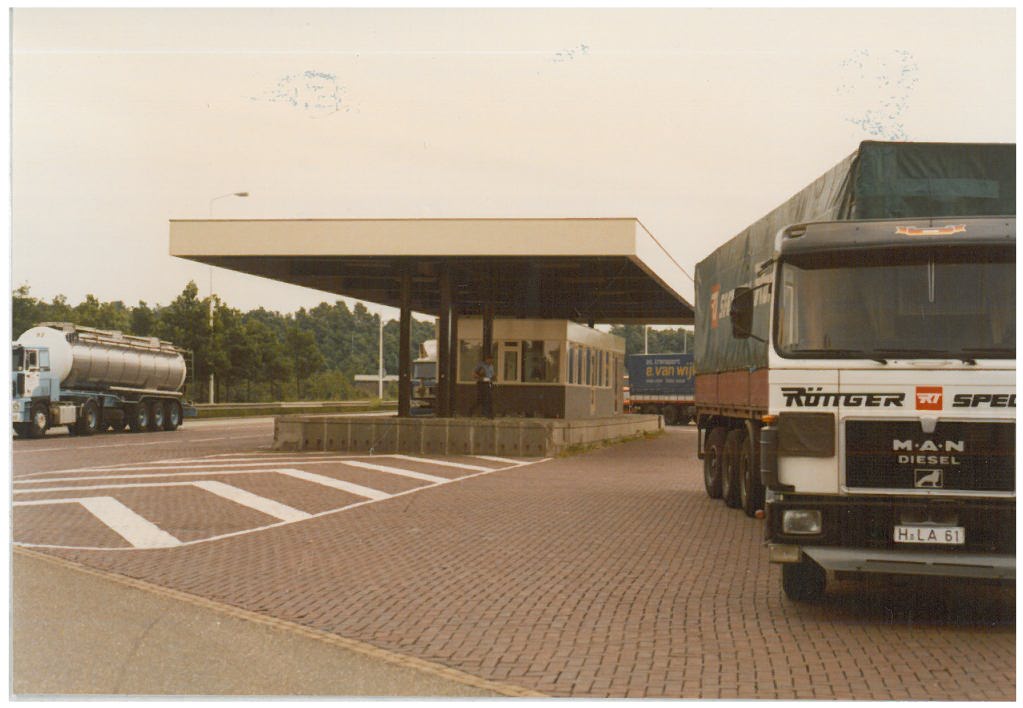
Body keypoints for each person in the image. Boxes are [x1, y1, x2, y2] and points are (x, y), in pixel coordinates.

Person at [473, 354, 495, 418]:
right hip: (481, 383)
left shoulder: (491, 366)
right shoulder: (481, 365)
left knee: (489, 398)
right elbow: (474, 374)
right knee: (482, 399)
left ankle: (488, 414)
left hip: (488, 383)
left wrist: (493, 377)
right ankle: (472, 410)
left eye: (492, 360)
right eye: (490, 360)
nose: (491, 361)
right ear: (486, 359)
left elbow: (491, 375)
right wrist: (480, 377)